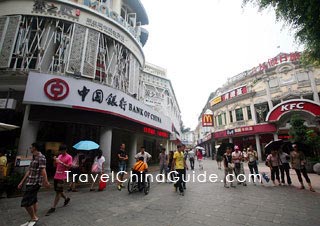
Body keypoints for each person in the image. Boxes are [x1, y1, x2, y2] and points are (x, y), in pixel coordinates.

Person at [18, 142, 50, 226]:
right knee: (33, 200)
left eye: (31, 147)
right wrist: (22, 181)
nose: (30, 149)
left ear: (35, 148)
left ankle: (34, 218)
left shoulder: (41, 157)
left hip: (35, 182)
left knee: (26, 202)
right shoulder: (33, 157)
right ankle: (33, 218)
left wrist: (45, 182)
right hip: (30, 181)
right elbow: (29, 170)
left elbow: (43, 170)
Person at [46, 144, 72, 216]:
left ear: (66, 150)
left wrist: (61, 162)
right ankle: (66, 198)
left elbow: (69, 167)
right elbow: (55, 166)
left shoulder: (69, 157)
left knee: (58, 192)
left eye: (63, 150)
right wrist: (55, 160)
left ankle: (53, 207)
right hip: (56, 175)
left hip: (62, 176)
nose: (61, 152)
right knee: (58, 190)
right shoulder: (59, 156)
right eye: (61, 151)